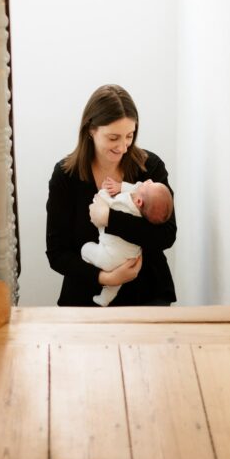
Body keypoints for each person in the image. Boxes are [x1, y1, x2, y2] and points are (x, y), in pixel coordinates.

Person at [46, 84, 177, 306]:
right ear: (91, 130)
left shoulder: (150, 168)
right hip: (86, 296)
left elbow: (166, 235)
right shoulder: (66, 176)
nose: (123, 147)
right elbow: (57, 254)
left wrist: (110, 219)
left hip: (147, 293)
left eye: (129, 136)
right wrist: (106, 278)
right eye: (113, 137)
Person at [82, 179, 174, 306]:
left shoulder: (125, 203)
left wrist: (103, 197)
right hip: (128, 262)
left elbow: (167, 235)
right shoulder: (146, 210)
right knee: (114, 285)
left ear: (139, 202)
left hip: (144, 292)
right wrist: (108, 278)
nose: (149, 180)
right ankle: (104, 299)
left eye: (149, 184)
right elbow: (136, 189)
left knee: (85, 249)